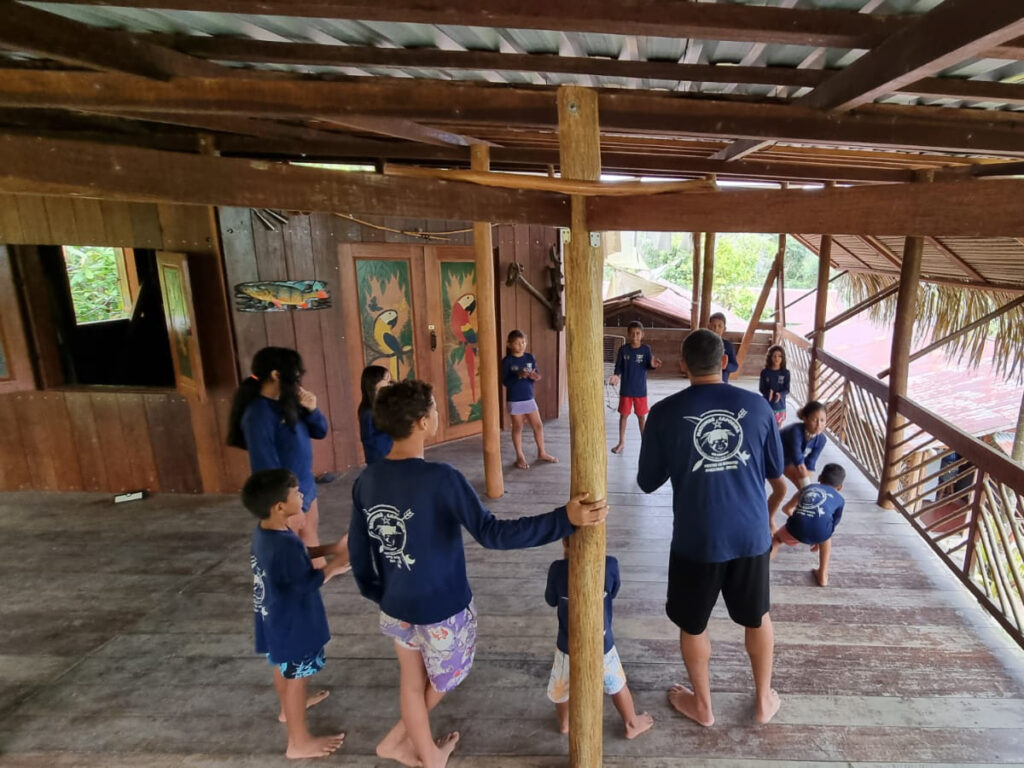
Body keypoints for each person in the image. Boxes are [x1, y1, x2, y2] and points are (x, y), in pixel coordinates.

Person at [349, 379, 608, 768]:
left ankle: (406, 746)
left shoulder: (367, 480)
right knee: (444, 678)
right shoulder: (441, 477)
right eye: (435, 409)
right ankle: (426, 756)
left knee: (410, 678)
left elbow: (358, 548)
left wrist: (377, 592)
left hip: (394, 602)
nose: (437, 414)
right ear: (422, 421)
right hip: (441, 607)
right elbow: (492, 534)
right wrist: (562, 519)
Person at [637, 329, 788, 727]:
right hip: (751, 535)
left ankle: (703, 706)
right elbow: (775, 472)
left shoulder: (664, 413)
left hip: (697, 538)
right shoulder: (758, 408)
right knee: (758, 617)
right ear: (724, 362)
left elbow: (647, 481)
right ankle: (762, 701)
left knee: (693, 623)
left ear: (683, 365)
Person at [243, 468, 351, 759]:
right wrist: (337, 564)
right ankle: (298, 742)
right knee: (297, 679)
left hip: (275, 621)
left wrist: (331, 548)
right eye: (296, 493)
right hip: (295, 625)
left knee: (284, 669)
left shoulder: (267, 533)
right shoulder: (281, 545)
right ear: (280, 507)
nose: (302, 495)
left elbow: (298, 558)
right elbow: (305, 583)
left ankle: (287, 709)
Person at [545, 538, 654, 739]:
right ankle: (631, 723)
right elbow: (613, 591)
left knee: (562, 687)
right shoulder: (610, 565)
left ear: (564, 542)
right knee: (617, 683)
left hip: (566, 645)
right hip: (603, 644)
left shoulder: (557, 570)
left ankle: (565, 723)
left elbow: (551, 600)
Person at [228, 347, 328, 556]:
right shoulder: (258, 414)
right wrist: (284, 502)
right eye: (296, 374)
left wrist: (312, 410)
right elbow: (265, 468)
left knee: (309, 536)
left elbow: (320, 431)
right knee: (291, 547)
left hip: (304, 484)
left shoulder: (289, 401)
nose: (298, 380)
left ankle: (317, 581)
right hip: (285, 494)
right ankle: (305, 584)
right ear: (275, 375)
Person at [772, 463, 846, 587]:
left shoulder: (807, 488)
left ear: (819, 478)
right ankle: (823, 574)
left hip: (796, 527)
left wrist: (802, 517)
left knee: (777, 539)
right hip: (820, 532)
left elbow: (786, 509)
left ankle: (762, 567)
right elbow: (832, 524)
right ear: (840, 487)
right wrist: (819, 539)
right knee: (827, 537)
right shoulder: (840, 499)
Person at [501, 329, 557, 469]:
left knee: (538, 425)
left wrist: (535, 377)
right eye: (517, 343)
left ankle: (542, 452)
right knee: (518, 427)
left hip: (529, 397)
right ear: (509, 344)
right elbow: (506, 382)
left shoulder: (530, 357)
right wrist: (518, 375)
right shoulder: (507, 361)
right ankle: (520, 456)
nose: (521, 345)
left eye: (523, 342)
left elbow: (536, 374)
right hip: (515, 399)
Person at [609, 321, 663, 455]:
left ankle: (645, 444)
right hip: (626, 390)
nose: (635, 336)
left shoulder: (646, 349)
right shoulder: (624, 350)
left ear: (642, 334)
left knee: (641, 417)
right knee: (624, 416)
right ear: (628, 335)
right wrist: (616, 376)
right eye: (632, 334)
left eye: (638, 333)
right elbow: (618, 367)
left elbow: (648, 365)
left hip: (640, 390)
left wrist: (654, 365)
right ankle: (621, 442)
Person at [780, 401, 828, 492]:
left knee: (804, 487)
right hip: (775, 456)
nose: (819, 425)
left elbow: (810, 463)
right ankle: (806, 502)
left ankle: (791, 506)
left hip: (791, 459)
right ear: (805, 418)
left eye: (822, 420)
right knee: (782, 490)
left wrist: (807, 484)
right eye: (814, 420)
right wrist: (807, 487)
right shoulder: (795, 431)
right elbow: (798, 462)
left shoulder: (821, 439)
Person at [358, 364, 393, 464]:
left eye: (389, 380)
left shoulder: (384, 402)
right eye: (385, 380)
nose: (389, 383)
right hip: (379, 457)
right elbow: (367, 439)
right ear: (374, 382)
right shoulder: (368, 411)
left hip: (391, 453)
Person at [759, 345, 791, 428]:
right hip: (767, 403)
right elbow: (761, 388)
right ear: (770, 357)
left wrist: (780, 394)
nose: (777, 358)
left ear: (782, 358)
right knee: (766, 425)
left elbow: (787, 389)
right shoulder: (765, 372)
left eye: (779, 356)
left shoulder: (785, 373)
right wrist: (768, 392)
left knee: (777, 428)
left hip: (779, 405)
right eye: (774, 356)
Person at [707, 312, 738, 382]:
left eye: (719, 326)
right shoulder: (702, 344)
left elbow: (735, 366)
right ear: (708, 326)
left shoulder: (728, 345)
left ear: (724, 329)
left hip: (722, 381)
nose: (716, 329)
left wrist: (723, 365)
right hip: (704, 381)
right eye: (713, 326)